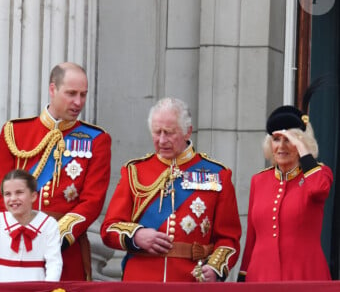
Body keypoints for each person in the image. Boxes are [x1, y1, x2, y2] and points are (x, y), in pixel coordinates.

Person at [0, 62, 111, 281]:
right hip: (18, 247)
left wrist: (54, 237)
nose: (78, 102)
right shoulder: (15, 132)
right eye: (71, 93)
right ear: (52, 89)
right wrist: (22, 231)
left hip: (66, 251)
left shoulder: (96, 140)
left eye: (83, 95)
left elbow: (92, 201)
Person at [101, 97, 241, 282]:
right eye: (157, 132)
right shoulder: (135, 171)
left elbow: (228, 238)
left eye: (169, 133)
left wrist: (214, 269)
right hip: (141, 282)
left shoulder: (217, 174)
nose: (162, 140)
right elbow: (109, 229)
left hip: (190, 282)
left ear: (187, 132)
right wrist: (136, 236)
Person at [239, 104, 333, 281]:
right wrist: (243, 276)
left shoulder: (319, 173)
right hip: (261, 277)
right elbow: (252, 238)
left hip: (305, 276)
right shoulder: (259, 181)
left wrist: (302, 146)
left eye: (288, 140)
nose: (281, 146)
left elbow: (319, 190)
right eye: (276, 139)